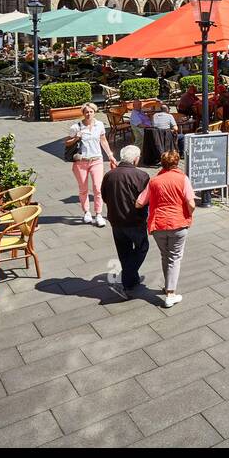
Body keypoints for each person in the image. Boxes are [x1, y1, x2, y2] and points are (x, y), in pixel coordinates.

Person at [134, 149, 195, 308]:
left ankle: (168, 285)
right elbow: (191, 203)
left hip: (158, 224)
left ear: (162, 163)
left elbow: (139, 203)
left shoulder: (154, 181)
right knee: (175, 257)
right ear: (176, 162)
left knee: (165, 255)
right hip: (178, 223)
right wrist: (188, 214)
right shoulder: (183, 179)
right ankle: (170, 293)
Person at [100, 144, 151, 299]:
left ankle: (131, 279)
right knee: (142, 247)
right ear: (135, 159)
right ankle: (125, 280)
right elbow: (146, 200)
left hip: (116, 220)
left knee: (124, 252)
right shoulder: (142, 176)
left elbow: (104, 197)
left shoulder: (109, 175)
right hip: (134, 220)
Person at [65, 103, 117, 226]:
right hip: (81, 162)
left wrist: (110, 155)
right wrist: (76, 138)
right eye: (86, 112)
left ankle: (98, 214)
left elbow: (103, 140)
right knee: (83, 189)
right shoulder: (76, 127)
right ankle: (86, 212)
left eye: (91, 111)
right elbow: (67, 143)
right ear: (83, 113)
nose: (89, 114)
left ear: (95, 112)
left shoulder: (99, 125)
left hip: (96, 160)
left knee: (98, 188)